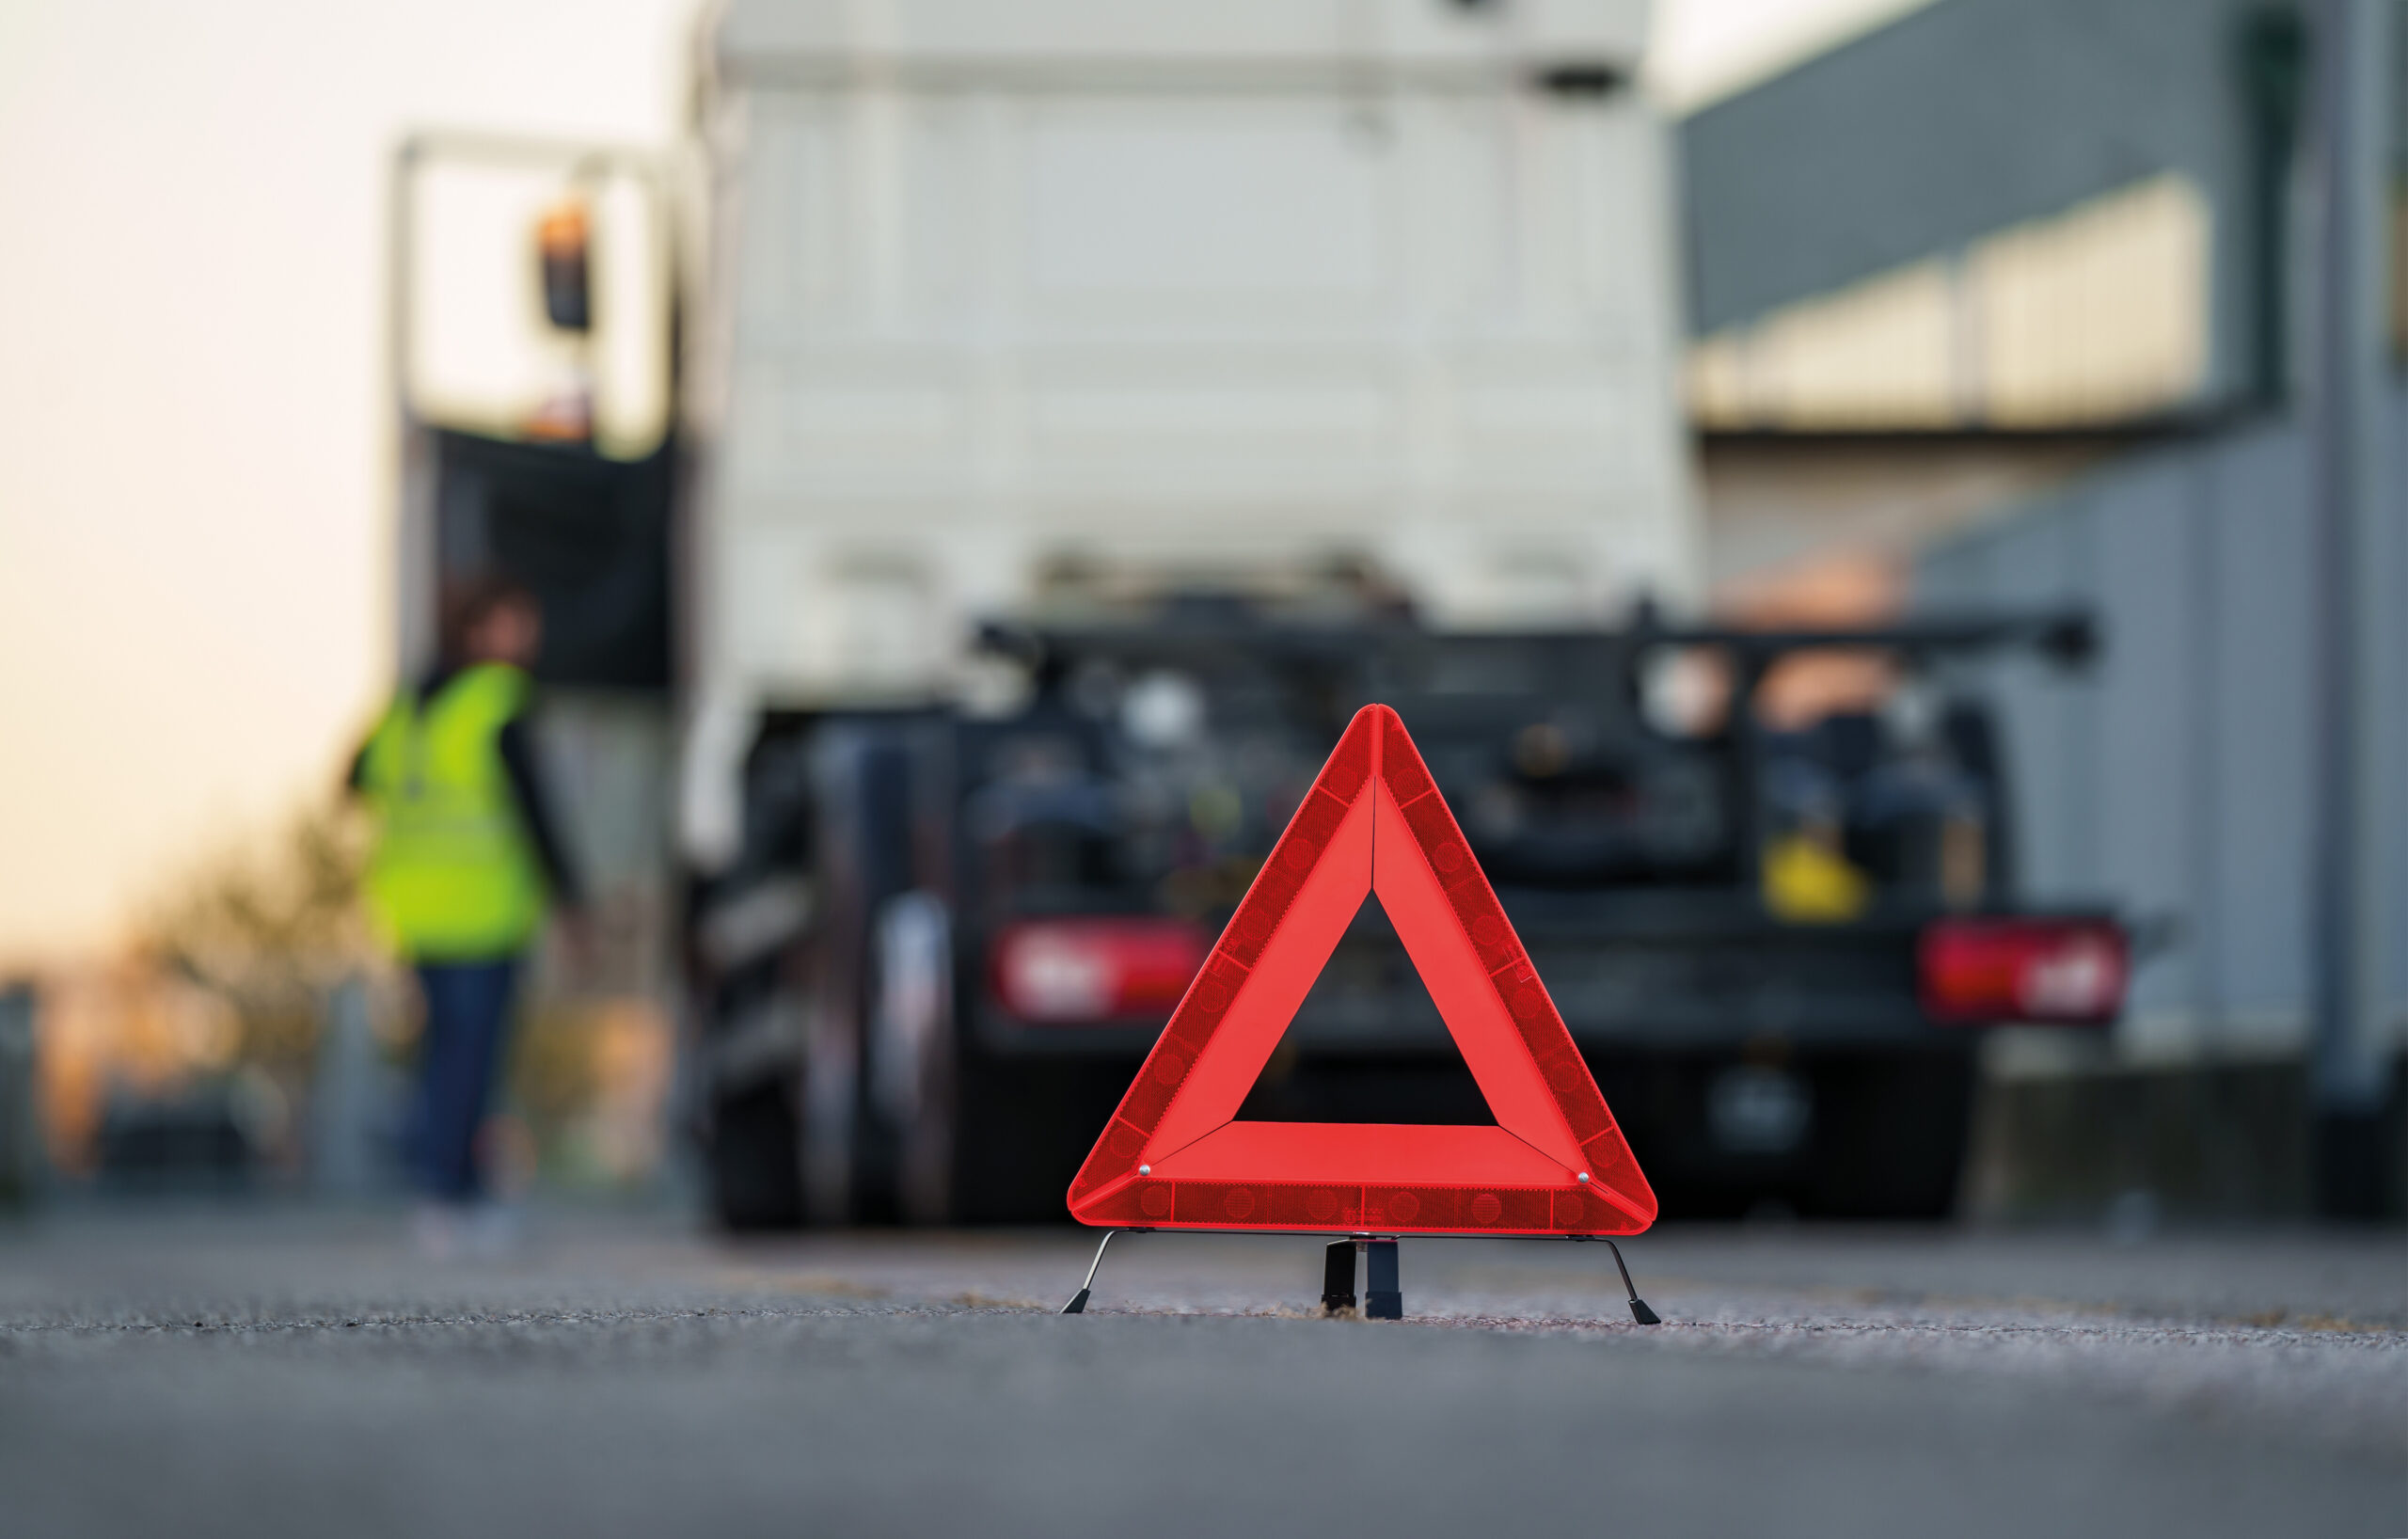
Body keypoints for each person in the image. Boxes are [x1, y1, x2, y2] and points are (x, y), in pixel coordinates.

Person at [350, 575, 583, 1255]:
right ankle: (453, 1194)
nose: (528, 640)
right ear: (478, 631)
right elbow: (536, 809)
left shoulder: (411, 708)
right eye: (514, 624)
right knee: (472, 1058)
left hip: (416, 910)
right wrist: (572, 899)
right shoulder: (498, 702)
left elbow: (355, 777)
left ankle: (446, 1189)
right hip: (483, 912)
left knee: (441, 1054)